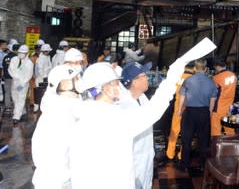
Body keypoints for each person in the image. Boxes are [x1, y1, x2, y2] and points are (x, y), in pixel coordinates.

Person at [69, 59, 185, 189]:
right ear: (106, 88)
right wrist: (172, 77)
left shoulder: (83, 117)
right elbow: (153, 110)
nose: (119, 86)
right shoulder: (112, 119)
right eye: (116, 83)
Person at [32, 64, 83, 189]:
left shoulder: (70, 106)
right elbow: (52, 160)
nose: (80, 82)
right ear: (64, 84)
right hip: (57, 181)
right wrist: (65, 182)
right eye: (76, 79)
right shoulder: (56, 114)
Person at [177, 59, 217, 172]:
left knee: (186, 140)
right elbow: (212, 101)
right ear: (206, 69)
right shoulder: (211, 82)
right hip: (203, 112)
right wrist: (208, 113)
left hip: (189, 112)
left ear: (194, 68)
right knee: (203, 140)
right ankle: (203, 165)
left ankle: (184, 165)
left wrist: (179, 110)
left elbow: (182, 97)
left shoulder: (188, 80)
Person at [120, 61, 153, 189]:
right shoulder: (124, 106)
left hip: (146, 155)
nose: (147, 78)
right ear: (134, 81)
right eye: (144, 76)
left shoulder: (143, 97)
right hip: (133, 159)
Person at [165, 61, 194, 162]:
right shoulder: (193, 79)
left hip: (177, 106)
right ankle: (181, 154)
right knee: (186, 132)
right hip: (189, 108)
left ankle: (170, 153)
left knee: (174, 130)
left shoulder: (179, 77)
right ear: (194, 68)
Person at [211, 58, 237, 136]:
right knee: (230, 130)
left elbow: (212, 93)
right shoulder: (233, 75)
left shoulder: (216, 78)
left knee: (215, 132)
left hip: (218, 108)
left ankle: (216, 147)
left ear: (217, 66)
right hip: (229, 107)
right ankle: (232, 146)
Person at [8, 45, 34, 125]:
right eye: (20, 52)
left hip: (22, 84)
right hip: (14, 82)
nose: (21, 54)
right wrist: (15, 77)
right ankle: (22, 111)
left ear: (26, 54)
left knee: (21, 98)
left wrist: (22, 83)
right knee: (14, 97)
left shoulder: (29, 63)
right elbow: (10, 69)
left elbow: (29, 75)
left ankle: (16, 116)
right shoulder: (14, 59)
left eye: (23, 53)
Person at [34, 44, 53, 112]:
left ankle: (43, 107)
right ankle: (36, 107)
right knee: (39, 94)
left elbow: (50, 67)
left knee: (44, 94)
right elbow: (39, 70)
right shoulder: (40, 59)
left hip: (46, 78)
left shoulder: (48, 57)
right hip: (40, 78)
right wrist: (43, 77)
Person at [2, 44, 20, 108]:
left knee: (7, 92)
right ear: (18, 50)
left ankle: (7, 106)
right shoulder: (17, 58)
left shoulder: (5, 57)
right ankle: (16, 106)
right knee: (16, 92)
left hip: (7, 77)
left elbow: (3, 68)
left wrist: (3, 76)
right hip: (15, 78)